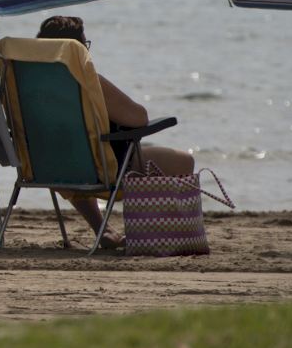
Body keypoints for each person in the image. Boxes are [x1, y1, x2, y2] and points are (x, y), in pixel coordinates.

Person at [36, 15, 195, 249]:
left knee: (70, 155)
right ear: (76, 49)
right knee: (184, 161)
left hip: (47, 168)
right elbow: (139, 118)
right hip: (98, 169)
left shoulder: (25, 86)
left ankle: (103, 229)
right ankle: (146, 234)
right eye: (84, 45)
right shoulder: (88, 81)